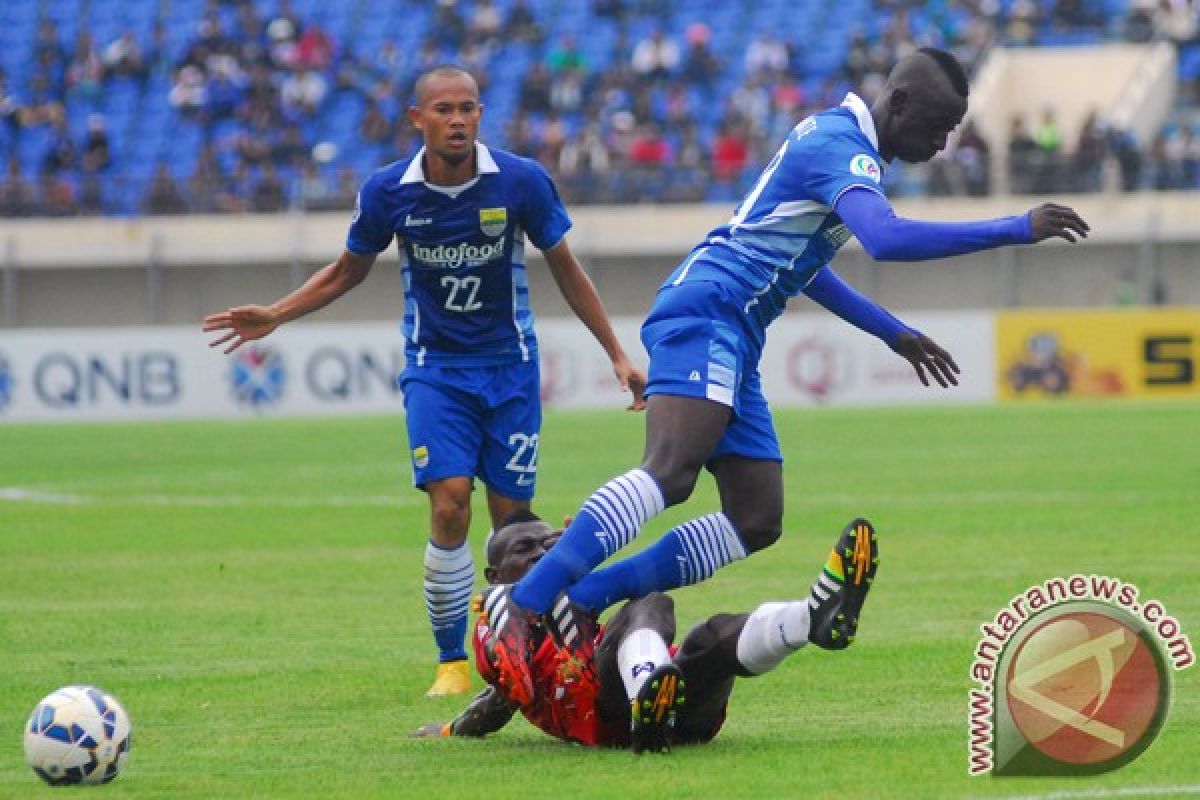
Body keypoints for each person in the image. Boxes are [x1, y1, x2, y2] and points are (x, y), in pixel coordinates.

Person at [482, 48, 1090, 699]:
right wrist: (1015, 227)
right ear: (900, 103)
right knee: (671, 470)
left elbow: (808, 265)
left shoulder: (842, 146)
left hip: (734, 328)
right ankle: (521, 610)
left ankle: (583, 594)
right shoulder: (840, 146)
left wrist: (895, 332)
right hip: (708, 308)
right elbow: (885, 239)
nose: (941, 145)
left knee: (756, 516)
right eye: (938, 126)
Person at [202, 66, 646, 697]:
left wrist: (617, 354)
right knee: (449, 503)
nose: (457, 120)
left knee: (513, 526)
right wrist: (276, 313)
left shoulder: (519, 182)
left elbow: (567, 269)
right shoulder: (389, 193)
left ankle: (511, 659)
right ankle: (450, 661)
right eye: (444, 109)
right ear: (418, 118)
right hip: (436, 371)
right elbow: (345, 272)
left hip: (511, 369)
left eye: (468, 108)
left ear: (481, 115)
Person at [414, 511, 879, 752]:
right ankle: (647, 701)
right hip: (604, 707)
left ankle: (810, 620)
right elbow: (501, 696)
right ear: (496, 576)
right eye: (524, 549)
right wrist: (455, 729)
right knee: (649, 604)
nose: (541, 553)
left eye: (551, 545)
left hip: (678, 712)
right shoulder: (500, 619)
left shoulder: (574, 598)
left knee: (711, 639)